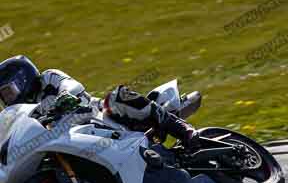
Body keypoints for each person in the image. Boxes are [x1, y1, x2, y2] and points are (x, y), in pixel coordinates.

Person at [0, 56, 199, 149]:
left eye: (8, 92)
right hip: (72, 141)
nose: (7, 99)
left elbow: (72, 86)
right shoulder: (24, 112)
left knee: (116, 96)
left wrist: (65, 97)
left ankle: (182, 129)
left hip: (98, 118)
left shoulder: (48, 79)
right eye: (3, 97)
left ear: (22, 78)